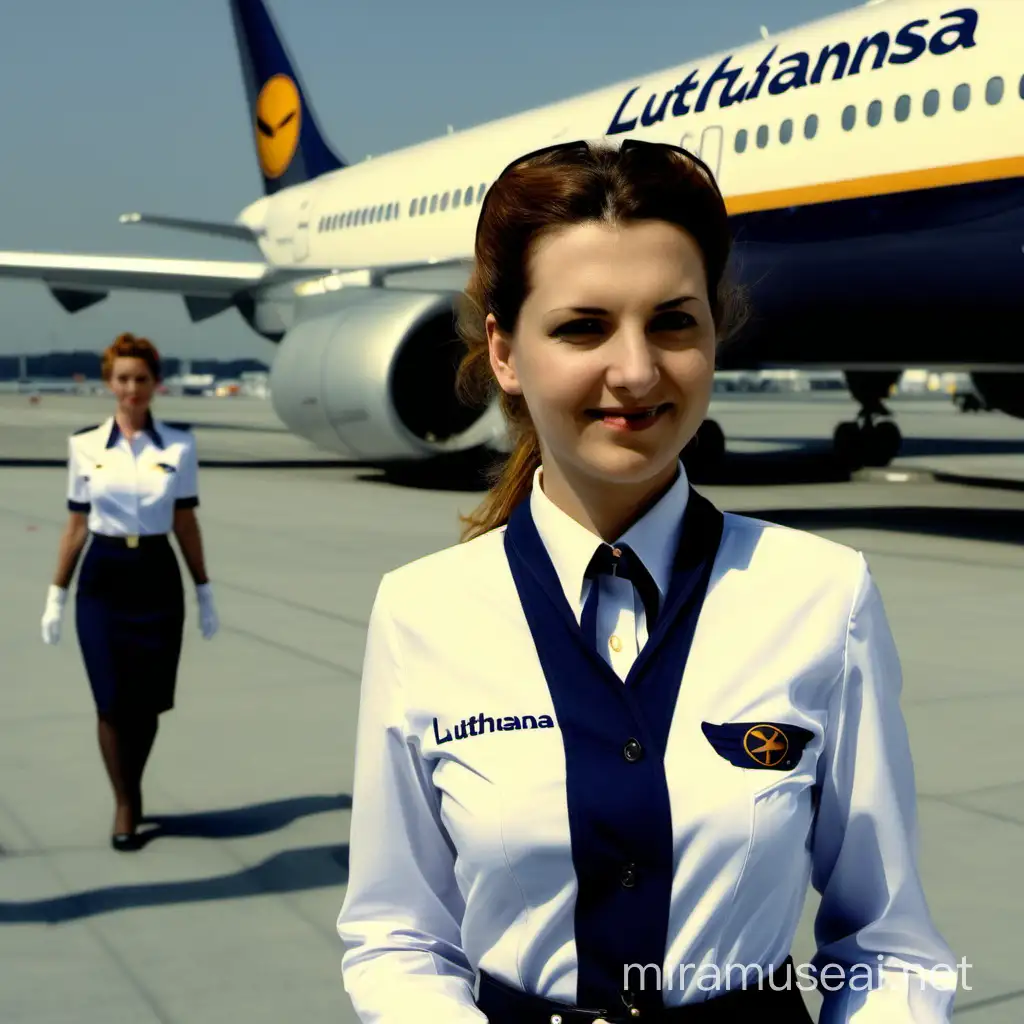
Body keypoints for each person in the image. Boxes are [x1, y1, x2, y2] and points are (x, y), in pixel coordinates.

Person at [336, 140, 957, 1022]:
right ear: (505, 354)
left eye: (673, 322)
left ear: (714, 334)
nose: (635, 371)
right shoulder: (422, 611)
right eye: (583, 327)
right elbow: (398, 936)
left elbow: (888, 945)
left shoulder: (822, 594)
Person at [40, 332, 219, 852]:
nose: (132, 389)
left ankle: (131, 784)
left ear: (155, 384)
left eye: (141, 379)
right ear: (109, 383)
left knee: (146, 703)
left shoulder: (179, 446)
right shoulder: (84, 445)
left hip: (157, 575)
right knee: (111, 700)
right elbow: (74, 526)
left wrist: (203, 588)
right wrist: (56, 593)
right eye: (123, 379)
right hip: (103, 578)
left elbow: (186, 522)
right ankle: (125, 800)